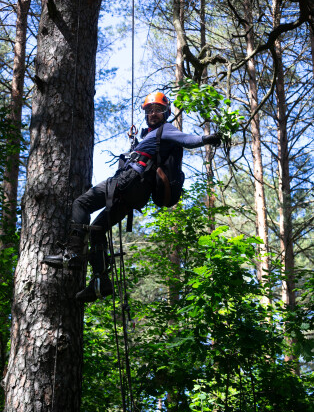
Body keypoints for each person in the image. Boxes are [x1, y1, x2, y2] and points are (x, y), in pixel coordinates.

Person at [43, 92, 221, 303]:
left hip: (127, 182)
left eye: (158, 110)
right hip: (135, 194)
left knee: (81, 203)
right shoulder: (150, 135)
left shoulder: (167, 130)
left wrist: (207, 139)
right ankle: (100, 282)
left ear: (166, 113)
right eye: (149, 110)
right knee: (98, 230)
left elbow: (188, 140)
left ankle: (72, 254)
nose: (153, 114)